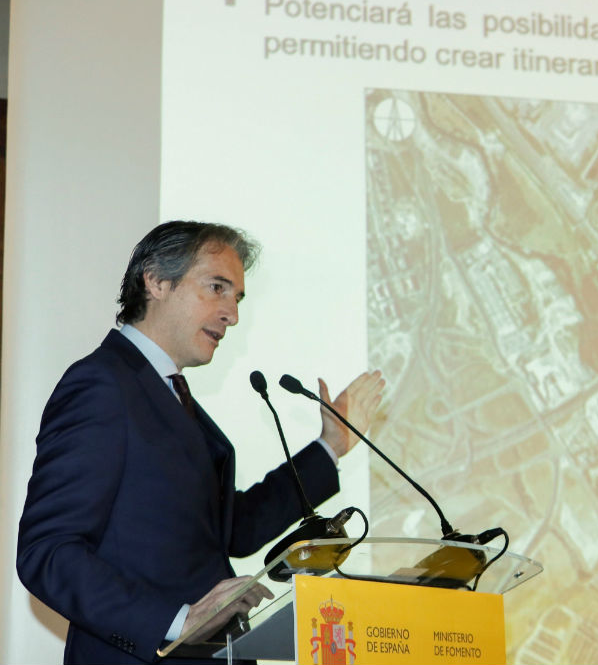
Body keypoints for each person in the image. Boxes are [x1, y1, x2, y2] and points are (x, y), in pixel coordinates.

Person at [15, 221, 385, 664]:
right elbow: (48, 551)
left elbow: (232, 529)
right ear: (156, 280)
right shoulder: (102, 385)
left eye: (237, 297)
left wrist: (331, 445)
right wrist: (176, 622)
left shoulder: (169, 393)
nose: (232, 313)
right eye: (217, 288)